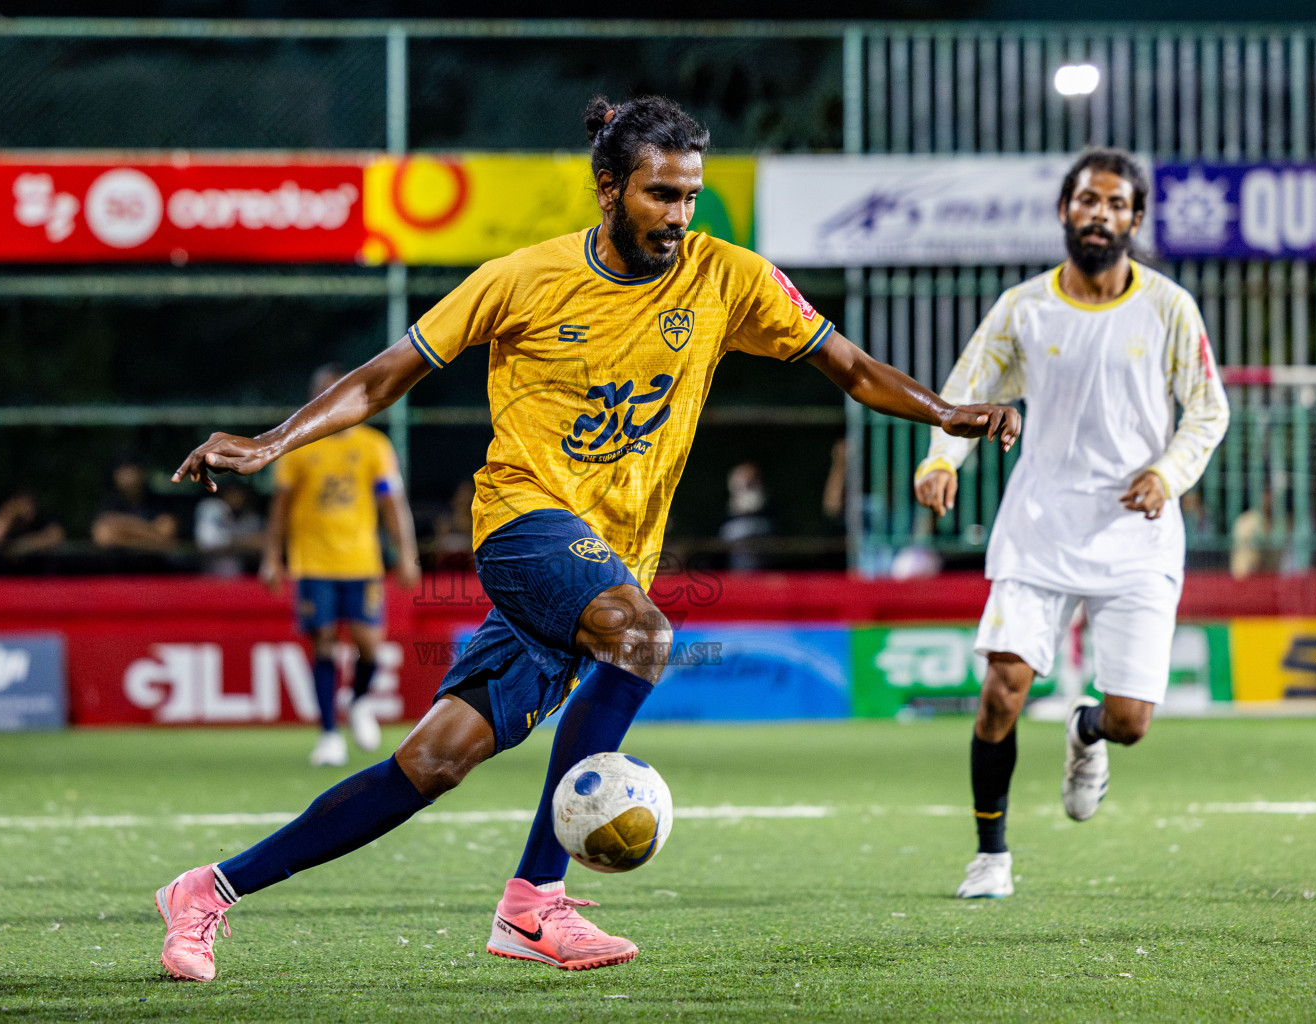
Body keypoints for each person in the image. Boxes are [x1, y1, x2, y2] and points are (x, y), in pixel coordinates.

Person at [158, 94, 1019, 982]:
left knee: (433, 763)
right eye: (660, 195)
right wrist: (271, 442)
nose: (680, 217)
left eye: (690, 196)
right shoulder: (520, 277)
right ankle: (535, 900)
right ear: (608, 190)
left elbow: (849, 366)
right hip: (523, 525)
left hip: (605, 563)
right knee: (642, 634)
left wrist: (947, 413)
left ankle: (207, 890)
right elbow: (384, 378)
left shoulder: (729, 278)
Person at [912, 148, 1230, 900]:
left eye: (1116, 204)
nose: (1100, 213)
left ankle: (1088, 732)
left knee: (1131, 722)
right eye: (1088, 199)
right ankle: (991, 856)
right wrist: (942, 459)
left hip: (1137, 535)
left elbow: (1209, 409)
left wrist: (1168, 474)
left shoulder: (1168, 307)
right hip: (1041, 525)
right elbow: (968, 389)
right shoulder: (1025, 307)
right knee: (1002, 688)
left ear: (1135, 220)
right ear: (1065, 211)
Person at [259, 364, 422, 767]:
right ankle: (329, 734)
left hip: (362, 562)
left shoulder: (374, 446)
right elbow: (279, 508)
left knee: (371, 646)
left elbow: (392, 505)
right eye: (320, 394)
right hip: (313, 563)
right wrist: (271, 557)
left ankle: (360, 701)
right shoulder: (298, 447)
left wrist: (406, 554)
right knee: (325, 644)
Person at [91, 453, 177, 552]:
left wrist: (121, 527)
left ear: (142, 473)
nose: (128, 476)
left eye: (132, 469)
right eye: (124, 470)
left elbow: (166, 537)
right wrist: (151, 532)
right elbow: (103, 538)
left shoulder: (161, 503)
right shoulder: (108, 504)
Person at [194, 481, 263, 579]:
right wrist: (244, 542)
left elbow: (260, 544)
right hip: (210, 578)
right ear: (223, 494)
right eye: (232, 493)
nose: (237, 498)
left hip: (242, 579)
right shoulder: (211, 508)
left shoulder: (251, 517)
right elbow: (206, 542)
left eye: (240, 494)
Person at [0, 489, 66, 562]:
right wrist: (8, 514)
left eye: (27, 503)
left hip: (39, 575)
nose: (24, 508)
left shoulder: (42, 520)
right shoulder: (8, 522)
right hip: (9, 575)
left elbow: (57, 535)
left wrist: (24, 546)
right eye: (19, 504)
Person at [718, 462, 771, 571]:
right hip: (733, 576)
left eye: (750, 483)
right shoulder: (723, 514)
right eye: (739, 483)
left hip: (765, 576)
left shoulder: (771, 510)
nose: (745, 486)